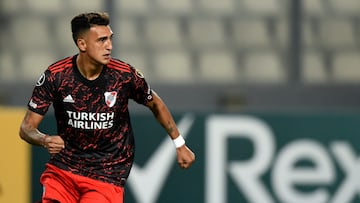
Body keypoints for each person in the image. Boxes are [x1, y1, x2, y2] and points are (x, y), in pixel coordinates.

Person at [19, 12, 195, 203]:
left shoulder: (124, 75)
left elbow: (155, 103)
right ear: (82, 44)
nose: (109, 46)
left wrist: (180, 144)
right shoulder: (56, 76)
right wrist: (44, 140)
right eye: (102, 40)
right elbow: (26, 128)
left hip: (107, 173)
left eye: (110, 39)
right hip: (64, 169)